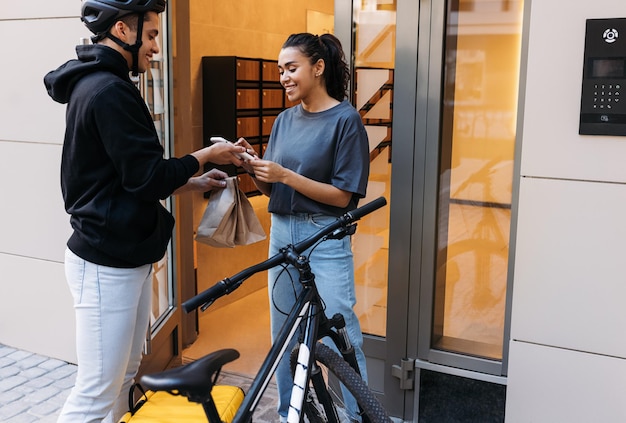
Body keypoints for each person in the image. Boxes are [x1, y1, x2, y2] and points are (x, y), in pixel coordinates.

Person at [43, 1, 247, 421]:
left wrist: (192, 181)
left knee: (123, 377)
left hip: (121, 256)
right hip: (106, 261)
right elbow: (148, 178)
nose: (155, 47)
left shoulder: (104, 84)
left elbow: (126, 175)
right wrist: (208, 154)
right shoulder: (108, 90)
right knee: (96, 392)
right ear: (122, 30)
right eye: (151, 35)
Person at [238, 32, 370, 422]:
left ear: (318, 68)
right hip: (282, 233)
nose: (283, 77)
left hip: (324, 239)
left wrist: (285, 174)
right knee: (284, 337)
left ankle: (356, 417)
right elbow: (273, 185)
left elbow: (343, 197)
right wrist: (255, 167)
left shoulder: (346, 120)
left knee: (341, 333)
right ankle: (288, 415)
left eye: (291, 68)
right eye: (280, 70)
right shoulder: (282, 120)